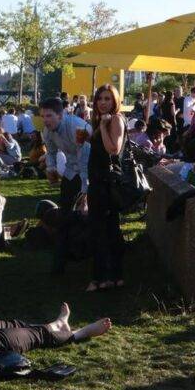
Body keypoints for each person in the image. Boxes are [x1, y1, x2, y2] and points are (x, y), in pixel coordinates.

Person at [40, 96, 92, 271]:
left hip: (91, 171)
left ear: (60, 115)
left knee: (85, 216)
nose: (45, 120)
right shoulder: (47, 131)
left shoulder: (77, 127)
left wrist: (85, 193)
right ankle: (61, 259)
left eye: (49, 116)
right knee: (64, 215)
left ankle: (81, 252)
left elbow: (85, 161)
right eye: (43, 116)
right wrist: (51, 169)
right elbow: (51, 152)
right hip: (71, 172)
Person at [86, 84, 126, 292]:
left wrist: (102, 127)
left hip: (107, 183)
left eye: (107, 99)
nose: (103, 103)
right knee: (108, 229)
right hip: (98, 181)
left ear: (115, 101)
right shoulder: (102, 120)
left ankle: (102, 277)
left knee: (103, 230)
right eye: (100, 99)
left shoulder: (115, 119)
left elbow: (114, 148)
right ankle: (113, 276)